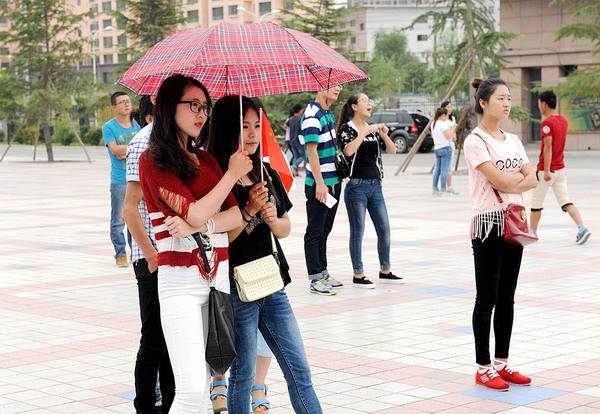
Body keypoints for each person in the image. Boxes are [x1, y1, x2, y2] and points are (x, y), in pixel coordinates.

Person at [138, 75, 253, 413]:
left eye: (205, 107)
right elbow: (196, 209)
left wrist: (201, 224)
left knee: (204, 387)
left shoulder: (207, 160)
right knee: (189, 390)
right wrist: (230, 176)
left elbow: (236, 217)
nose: (201, 113)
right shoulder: (153, 160)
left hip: (217, 282)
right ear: (168, 107)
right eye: (193, 105)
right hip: (181, 286)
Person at [206, 95, 322, 414]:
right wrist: (249, 209)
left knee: (299, 371)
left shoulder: (265, 172)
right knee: (242, 376)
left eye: (257, 126)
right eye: (244, 126)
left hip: (271, 283)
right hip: (236, 289)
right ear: (227, 129)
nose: (253, 134)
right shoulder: (217, 179)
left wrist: (271, 218)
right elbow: (217, 237)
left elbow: (284, 229)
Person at [463, 77, 537, 391]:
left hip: (514, 221)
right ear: (483, 102)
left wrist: (512, 182)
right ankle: (483, 368)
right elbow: (503, 182)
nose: (507, 103)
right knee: (487, 298)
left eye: (509, 98)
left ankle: (502, 364)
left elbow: (532, 178)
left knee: (507, 296)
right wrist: (515, 181)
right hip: (488, 224)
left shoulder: (513, 139)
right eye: (500, 98)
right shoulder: (475, 141)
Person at [123, 96, 175, 413]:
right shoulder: (144, 141)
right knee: (154, 339)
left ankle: (171, 405)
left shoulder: (177, 138)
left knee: (173, 340)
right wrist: (151, 255)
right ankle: (145, 407)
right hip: (153, 257)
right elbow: (130, 208)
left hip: (178, 255)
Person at [337, 93, 403, 288]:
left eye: (370, 101)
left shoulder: (372, 129)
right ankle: (358, 275)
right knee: (358, 232)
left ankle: (385, 270)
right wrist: (364, 132)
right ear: (354, 107)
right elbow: (348, 151)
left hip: (376, 186)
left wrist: (383, 134)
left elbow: (392, 150)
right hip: (356, 187)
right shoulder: (347, 128)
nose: (369, 104)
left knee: (385, 230)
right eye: (365, 101)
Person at [530, 90, 591, 245]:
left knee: (536, 203)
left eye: (539, 104)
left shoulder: (547, 123)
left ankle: (532, 233)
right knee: (565, 201)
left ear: (544, 104)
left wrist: (547, 171)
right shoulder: (564, 121)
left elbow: (548, 147)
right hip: (561, 169)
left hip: (547, 170)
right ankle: (582, 228)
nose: (539, 107)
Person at [300, 85, 344, 296]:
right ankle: (315, 278)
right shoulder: (312, 115)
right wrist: (319, 183)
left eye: (340, 85)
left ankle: (323, 272)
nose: (338, 88)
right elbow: (311, 152)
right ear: (319, 86)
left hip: (334, 182)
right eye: (333, 85)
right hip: (320, 184)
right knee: (315, 231)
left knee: (325, 231)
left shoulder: (328, 114)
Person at [102, 91, 141, 266]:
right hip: (119, 180)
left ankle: (136, 252)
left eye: (128, 101)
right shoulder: (109, 127)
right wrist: (132, 148)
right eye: (122, 102)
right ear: (114, 107)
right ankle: (120, 254)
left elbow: (145, 148)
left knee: (136, 217)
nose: (127, 104)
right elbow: (115, 150)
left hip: (137, 179)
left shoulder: (137, 125)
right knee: (118, 219)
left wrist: (124, 150)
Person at [431, 107, 456, 196]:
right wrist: (453, 129)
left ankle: (434, 188)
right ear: (443, 115)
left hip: (437, 148)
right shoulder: (443, 124)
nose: (447, 117)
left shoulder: (433, 124)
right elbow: (448, 136)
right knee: (444, 170)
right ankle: (443, 189)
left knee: (437, 169)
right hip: (445, 148)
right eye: (446, 115)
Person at [441, 100, 459, 195]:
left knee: (449, 167)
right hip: (444, 146)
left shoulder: (452, 119)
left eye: (451, 107)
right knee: (444, 167)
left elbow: (453, 131)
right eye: (448, 107)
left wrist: (454, 136)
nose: (450, 109)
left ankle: (449, 186)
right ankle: (444, 187)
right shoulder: (441, 120)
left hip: (451, 145)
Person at [286, 104, 305, 176]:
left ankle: (294, 171)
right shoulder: (300, 119)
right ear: (299, 110)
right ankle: (294, 166)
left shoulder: (290, 119)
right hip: (299, 140)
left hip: (291, 140)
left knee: (296, 156)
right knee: (303, 155)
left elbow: (286, 126)